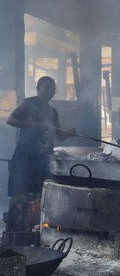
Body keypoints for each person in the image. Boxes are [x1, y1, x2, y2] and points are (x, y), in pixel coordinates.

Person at [7, 76, 76, 230]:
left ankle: (37, 229)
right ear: (38, 88)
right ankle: (14, 230)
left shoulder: (52, 112)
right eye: (47, 88)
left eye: (53, 89)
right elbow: (10, 120)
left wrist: (68, 132)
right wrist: (34, 125)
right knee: (20, 194)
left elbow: (59, 135)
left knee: (40, 196)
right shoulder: (28, 103)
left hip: (43, 160)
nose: (50, 92)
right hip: (24, 158)